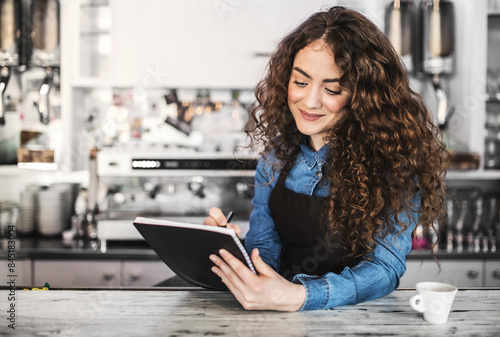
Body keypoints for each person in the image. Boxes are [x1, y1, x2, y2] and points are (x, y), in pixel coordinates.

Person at [204, 6, 448, 311]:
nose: (310, 101)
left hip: (357, 320)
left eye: (331, 88)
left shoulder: (395, 163)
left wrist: (302, 296)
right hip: (276, 314)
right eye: (301, 82)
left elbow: (385, 270)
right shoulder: (276, 157)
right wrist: (230, 250)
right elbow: (265, 248)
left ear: (364, 95)